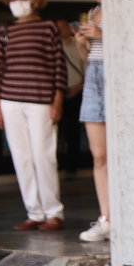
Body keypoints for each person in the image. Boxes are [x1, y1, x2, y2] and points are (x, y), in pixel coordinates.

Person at [0, 0, 66, 231]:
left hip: (41, 99)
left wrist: (58, 99)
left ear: (35, 0)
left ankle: (54, 213)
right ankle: (34, 212)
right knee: (21, 157)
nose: (18, 2)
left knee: (44, 155)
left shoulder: (48, 27)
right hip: (9, 99)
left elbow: (59, 64)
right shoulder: (6, 30)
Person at [75, 0, 110, 242]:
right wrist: (81, 43)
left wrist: (100, 34)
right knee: (98, 155)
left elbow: (131, 47)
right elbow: (88, 58)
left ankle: (122, 216)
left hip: (116, 77)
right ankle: (106, 218)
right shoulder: (94, 11)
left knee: (119, 153)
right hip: (94, 76)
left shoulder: (123, 5)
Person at [56, 18, 86, 173]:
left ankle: (72, 167)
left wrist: (79, 87)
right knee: (56, 131)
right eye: (57, 28)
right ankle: (56, 166)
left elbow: (87, 67)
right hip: (58, 94)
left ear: (68, 28)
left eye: (62, 27)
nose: (60, 30)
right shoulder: (53, 46)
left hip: (76, 91)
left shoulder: (79, 44)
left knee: (73, 131)